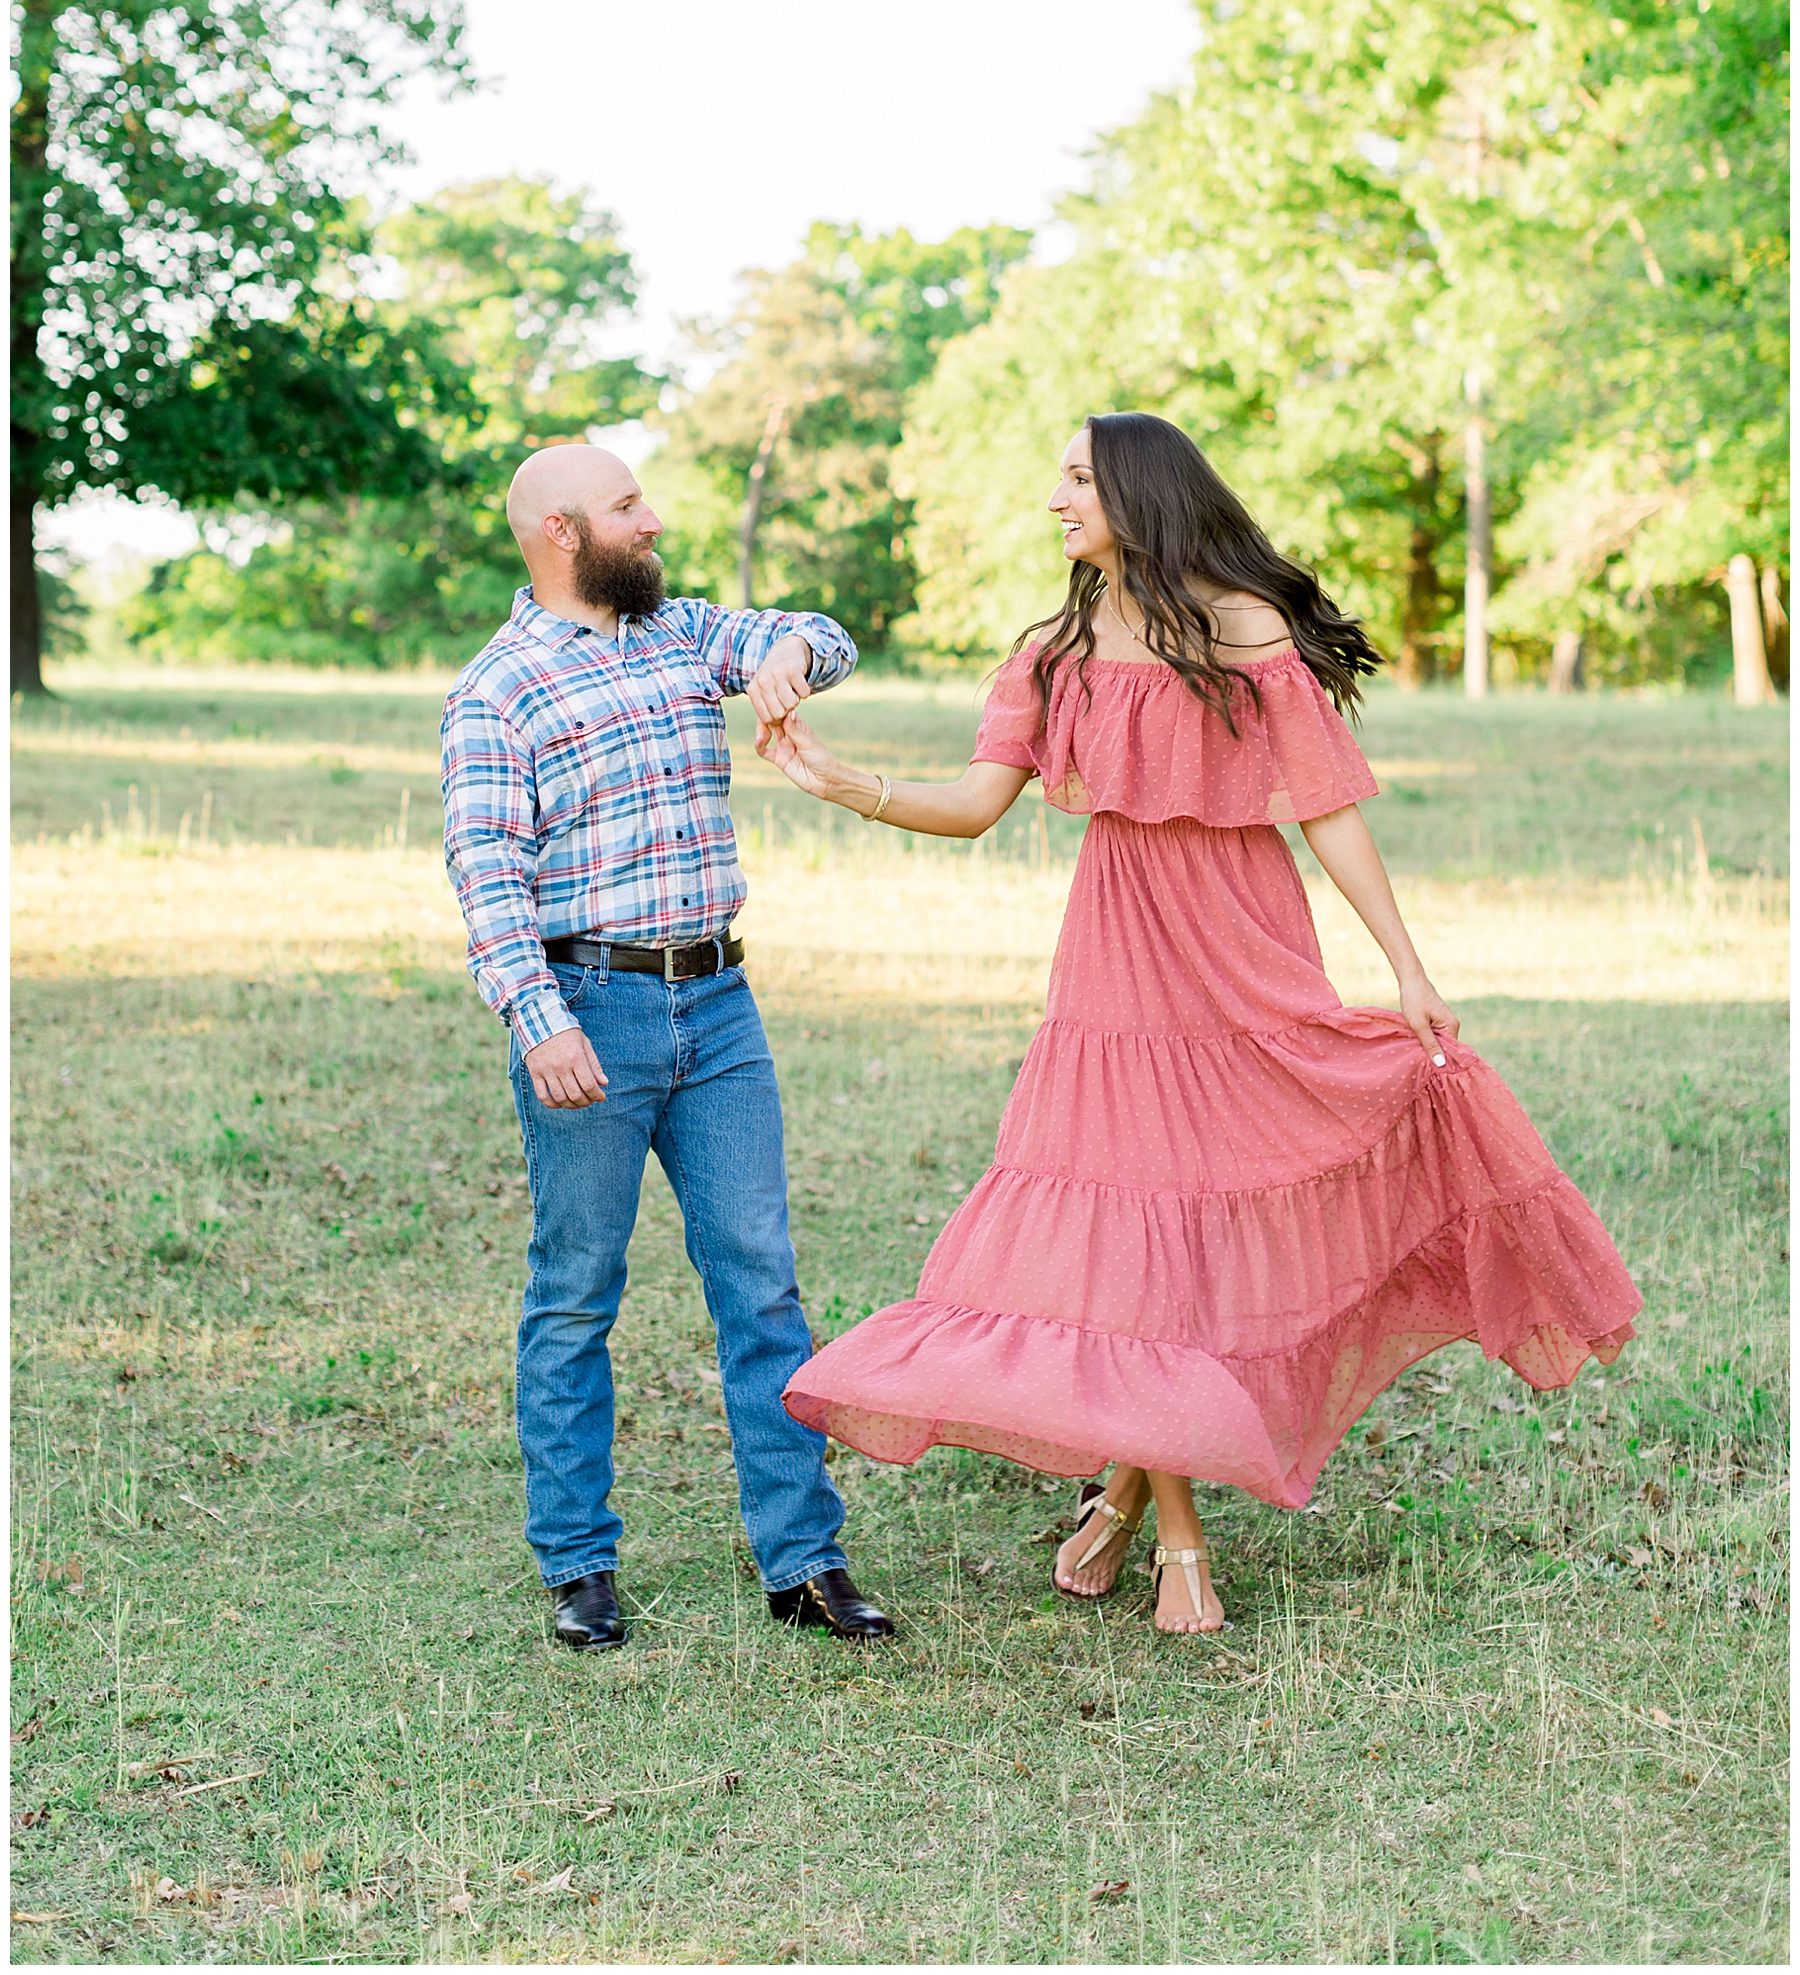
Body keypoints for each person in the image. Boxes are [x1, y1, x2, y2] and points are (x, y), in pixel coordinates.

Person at [754, 413, 1639, 1637]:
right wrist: (843, 782)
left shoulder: (1245, 630)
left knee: (1212, 1214)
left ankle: (1123, 1487)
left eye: (1077, 476)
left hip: (1243, 947)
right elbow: (970, 805)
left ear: (1138, 490)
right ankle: (1174, 1529)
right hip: (1117, 965)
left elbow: (1327, 807)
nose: (1056, 496)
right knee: (1130, 1227)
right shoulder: (1053, 648)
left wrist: (1407, 964)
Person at [440, 442, 895, 1650]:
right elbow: (487, 877)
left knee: (762, 1280)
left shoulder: (684, 631)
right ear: (558, 531)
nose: (656, 518)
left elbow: (821, 633)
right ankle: (578, 1563)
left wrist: (792, 661)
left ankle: (805, 1561)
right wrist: (541, 1024)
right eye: (628, 505)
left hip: (722, 1008)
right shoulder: (499, 688)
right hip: (593, 1009)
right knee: (576, 1289)